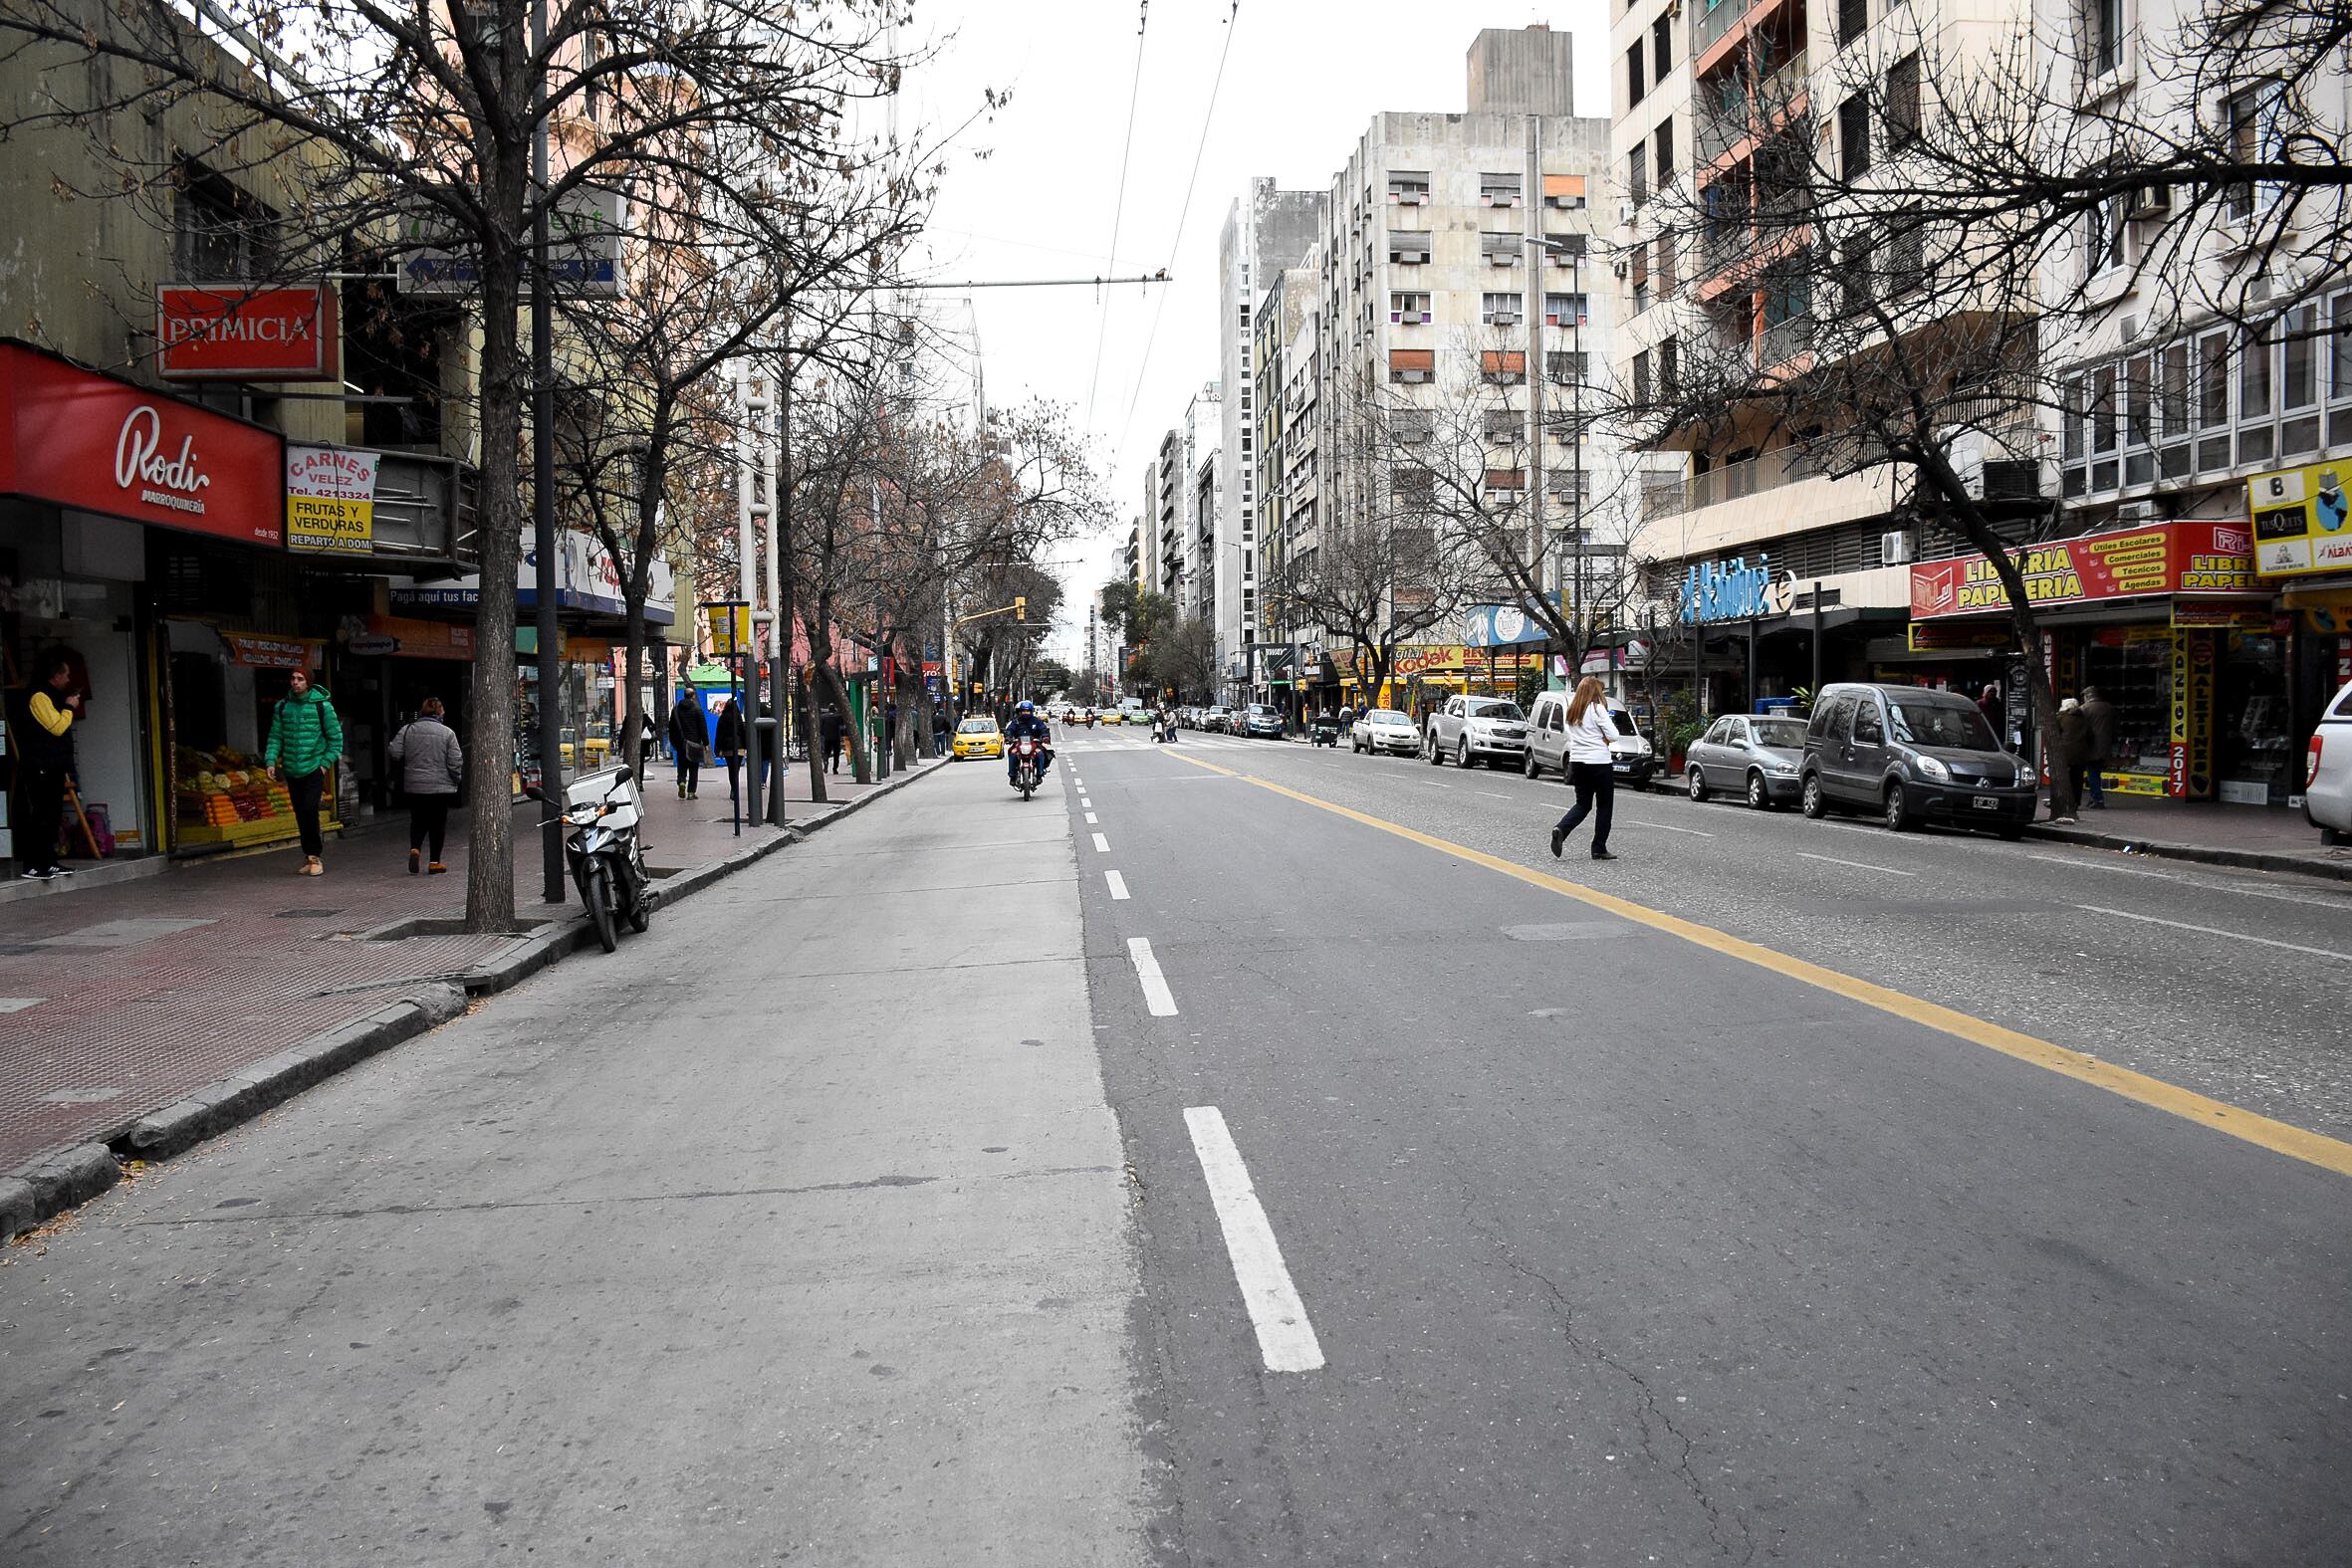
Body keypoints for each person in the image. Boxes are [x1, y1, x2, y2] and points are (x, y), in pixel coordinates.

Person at [265, 668, 344, 877]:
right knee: (301, 813)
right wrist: (270, 760)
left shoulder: (322, 707)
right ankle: (308, 855)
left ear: (308, 682)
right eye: (293, 678)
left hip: (313, 768)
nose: (295, 683)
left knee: (310, 809)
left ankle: (315, 856)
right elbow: (275, 737)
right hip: (292, 769)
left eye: (300, 679)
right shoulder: (282, 707)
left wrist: (323, 765)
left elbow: (336, 740)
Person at [10, 650, 82, 880]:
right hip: (40, 764)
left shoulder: (51, 695)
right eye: (66, 674)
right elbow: (56, 727)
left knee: (53, 815)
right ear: (56, 675)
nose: (69, 679)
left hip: (53, 764)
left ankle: (49, 862)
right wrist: (69, 707)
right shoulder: (39, 696)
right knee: (41, 815)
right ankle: (32, 864)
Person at [1547, 677, 1619, 862]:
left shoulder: (1572, 711)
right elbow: (1614, 735)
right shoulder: (1597, 709)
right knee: (1604, 806)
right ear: (1595, 692)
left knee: (1582, 804)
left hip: (1577, 762)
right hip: (1599, 762)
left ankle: (1562, 829)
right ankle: (1599, 848)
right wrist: (1604, 738)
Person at [388, 697, 463, 874]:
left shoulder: (407, 730)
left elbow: (394, 751)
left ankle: (415, 848)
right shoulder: (447, 733)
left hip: (415, 785)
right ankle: (435, 862)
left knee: (418, 820)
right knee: (438, 824)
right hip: (440, 787)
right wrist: (456, 778)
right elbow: (455, 761)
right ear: (440, 712)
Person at [2054, 696, 2091, 821]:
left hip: (2065, 752)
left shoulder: (2061, 717)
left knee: (2066, 777)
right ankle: (2076, 801)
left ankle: (2065, 801)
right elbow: (2090, 735)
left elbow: (2056, 734)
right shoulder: (2084, 718)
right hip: (2081, 752)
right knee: (2078, 778)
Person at [2080, 685, 2117, 808]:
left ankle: (2097, 798)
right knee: (2096, 771)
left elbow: (2081, 728)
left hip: (2091, 746)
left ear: (2088, 696)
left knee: (2093, 773)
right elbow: (2116, 727)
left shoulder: (2085, 709)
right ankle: (2094, 797)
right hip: (2105, 745)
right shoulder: (2109, 708)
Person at [1004, 699, 1054, 784]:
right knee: (1012, 753)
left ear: (1031, 711)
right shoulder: (1015, 721)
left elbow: (1043, 729)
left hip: (1034, 744)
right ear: (1020, 712)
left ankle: (1039, 775)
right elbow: (1010, 730)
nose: (1025, 713)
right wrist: (1008, 737)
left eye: (1027, 711)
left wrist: (1045, 737)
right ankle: (1012, 776)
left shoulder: (1037, 721)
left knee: (1040, 753)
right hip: (1018, 744)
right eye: (1023, 711)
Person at [666, 687, 703, 799]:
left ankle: (681, 782)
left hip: (681, 743)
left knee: (682, 765)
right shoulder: (697, 709)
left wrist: (674, 742)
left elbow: (671, 726)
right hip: (694, 743)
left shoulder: (676, 709)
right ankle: (691, 793)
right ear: (693, 696)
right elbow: (702, 727)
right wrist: (705, 742)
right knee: (693, 768)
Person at [713, 697, 748, 807]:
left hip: (728, 748)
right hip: (739, 748)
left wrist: (717, 749)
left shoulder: (723, 718)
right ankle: (735, 789)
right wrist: (746, 746)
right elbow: (744, 732)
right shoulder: (739, 718)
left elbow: (719, 735)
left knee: (731, 769)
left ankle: (733, 789)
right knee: (736, 770)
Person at [820, 705, 845, 777]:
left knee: (826, 752)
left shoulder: (823, 717)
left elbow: (821, 727)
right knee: (836, 754)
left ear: (828, 709)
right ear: (835, 709)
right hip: (836, 737)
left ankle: (825, 761)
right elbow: (842, 727)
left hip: (826, 737)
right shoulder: (838, 716)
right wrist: (842, 734)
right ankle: (835, 769)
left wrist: (822, 735)